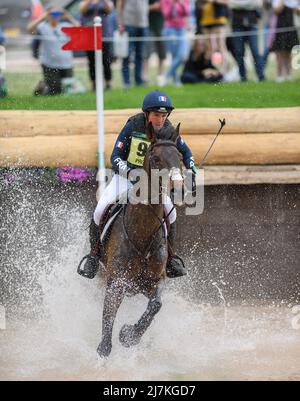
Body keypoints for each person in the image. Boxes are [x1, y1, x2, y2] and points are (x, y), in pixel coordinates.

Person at [79, 90, 196, 280]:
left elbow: (186, 152)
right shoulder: (133, 125)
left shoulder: (168, 130)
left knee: (171, 212)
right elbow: (115, 157)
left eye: (164, 115)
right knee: (100, 208)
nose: (160, 119)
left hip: (152, 184)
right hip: (125, 178)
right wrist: (131, 173)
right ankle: (94, 255)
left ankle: (171, 259)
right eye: (156, 115)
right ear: (146, 114)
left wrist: (192, 165)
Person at [27, 6, 80, 96]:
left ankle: (45, 85)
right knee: (54, 91)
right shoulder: (43, 27)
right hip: (49, 64)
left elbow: (79, 29)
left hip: (66, 63)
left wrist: (68, 16)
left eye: (57, 14)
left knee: (67, 89)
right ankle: (40, 89)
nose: (54, 17)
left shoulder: (65, 26)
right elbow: (29, 29)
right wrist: (43, 16)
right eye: (52, 14)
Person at [80, 0, 114, 91]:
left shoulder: (104, 2)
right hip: (89, 35)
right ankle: (94, 83)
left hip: (103, 35)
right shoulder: (85, 2)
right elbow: (82, 10)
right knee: (91, 62)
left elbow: (109, 9)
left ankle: (108, 83)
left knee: (106, 60)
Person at [229, 0, 265, 82]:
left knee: (255, 52)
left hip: (252, 24)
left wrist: (240, 5)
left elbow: (258, 3)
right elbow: (230, 4)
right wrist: (248, 4)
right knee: (239, 52)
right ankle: (243, 77)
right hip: (237, 25)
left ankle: (261, 76)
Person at [117, 0, 149, 88]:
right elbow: (120, 4)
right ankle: (126, 82)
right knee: (126, 55)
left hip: (143, 25)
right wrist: (120, 23)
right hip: (128, 24)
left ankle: (139, 81)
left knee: (140, 55)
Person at [158, 0, 190, 86]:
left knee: (182, 56)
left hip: (182, 29)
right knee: (174, 55)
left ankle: (165, 75)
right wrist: (172, 3)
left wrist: (181, 3)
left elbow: (187, 13)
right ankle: (176, 81)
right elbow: (166, 15)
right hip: (169, 29)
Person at [197, 0, 229, 73]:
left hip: (219, 20)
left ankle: (224, 70)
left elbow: (226, 2)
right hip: (205, 21)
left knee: (221, 46)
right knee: (209, 48)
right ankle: (211, 70)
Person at [271, 0, 300, 82]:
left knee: (289, 51)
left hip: (291, 27)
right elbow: (277, 10)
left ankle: (289, 74)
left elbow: (297, 12)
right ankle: (279, 75)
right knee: (280, 52)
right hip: (280, 27)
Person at [143, 0, 167, 84]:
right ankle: (145, 77)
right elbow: (141, 8)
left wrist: (162, 6)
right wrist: (153, 7)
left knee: (162, 53)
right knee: (146, 54)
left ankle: (160, 77)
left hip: (162, 27)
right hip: (148, 27)